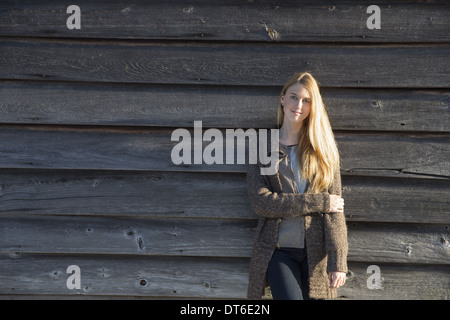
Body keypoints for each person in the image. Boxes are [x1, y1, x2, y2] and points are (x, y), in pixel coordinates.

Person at [246, 72, 348, 300]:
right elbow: (262, 202)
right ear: (282, 98)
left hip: (316, 254)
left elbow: (336, 210)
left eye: (306, 100)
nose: (298, 105)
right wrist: (320, 202)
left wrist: (338, 260)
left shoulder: (323, 149)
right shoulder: (262, 146)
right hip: (278, 251)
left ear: (313, 106)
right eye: (293, 97)